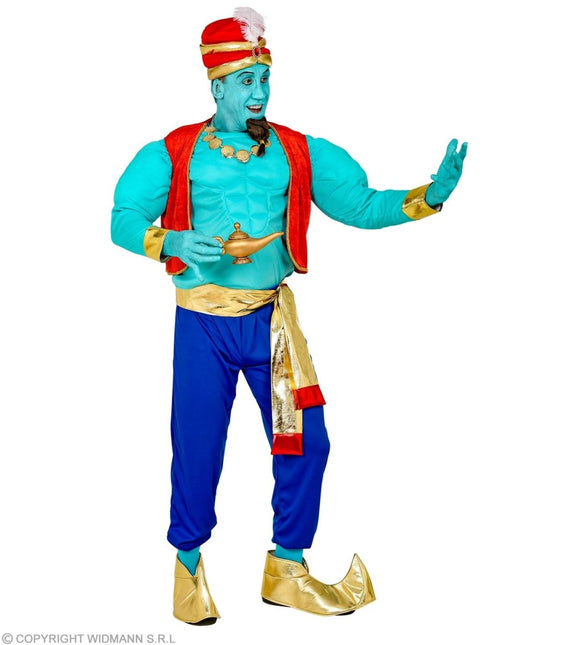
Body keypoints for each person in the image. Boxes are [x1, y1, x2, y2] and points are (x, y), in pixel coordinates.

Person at [111, 7, 467, 626]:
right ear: (217, 86)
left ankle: (287, 569)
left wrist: (427, 198)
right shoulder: (172, 151)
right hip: (202, 324)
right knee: (197, 448)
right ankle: (188, 568)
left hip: (271, 325)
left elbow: (361, 206)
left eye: (265, 79)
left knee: (303, 439)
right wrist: (169, 241)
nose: (260, 92)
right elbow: (121, 219)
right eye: (246, 81)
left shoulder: (297, 152)